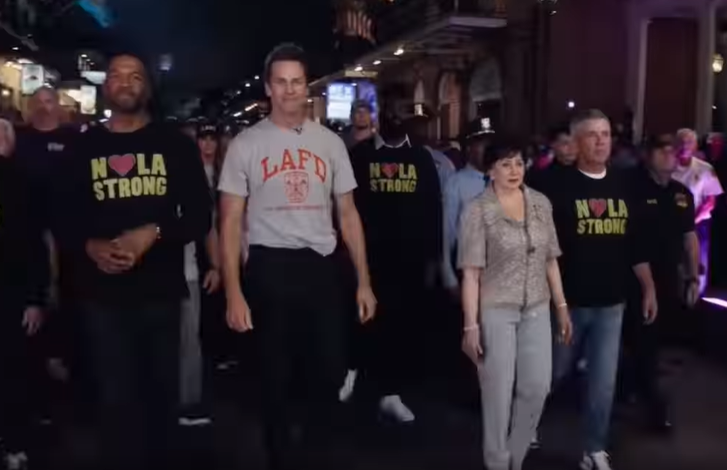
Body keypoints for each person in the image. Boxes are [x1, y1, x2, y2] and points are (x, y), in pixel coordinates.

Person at [218, 44, 376, 470]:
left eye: (297, 82)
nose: (289, 90)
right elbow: (230, 221)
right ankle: (281, 457)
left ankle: (313, 451)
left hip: (321, 268)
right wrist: (233, 291)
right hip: (269, 267)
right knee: (273, 378)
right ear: (269, 87)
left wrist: (363, 280)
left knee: (329, 370)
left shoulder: (330, 143)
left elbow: (348, 214)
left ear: (307, 87)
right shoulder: (246, 145)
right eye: (281, 82)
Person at [58, 54, 212, 470]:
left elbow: (199, 216)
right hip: (100, 297)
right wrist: (89, 245)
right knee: (113, 400)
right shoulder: (82, 147)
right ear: (105, 86)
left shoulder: (175, 145)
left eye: (135, 76)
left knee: (162, 397)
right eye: (116, 76)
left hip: (159, 294)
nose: (125, 83)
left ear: (147, 87)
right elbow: (61, 217)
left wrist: (154, 233)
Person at [543, 109, 657, 470]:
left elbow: (636, 244)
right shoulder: (557, 187)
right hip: (569, 302)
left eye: (605, 134)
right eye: (592, 134)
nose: (601, 141)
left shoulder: (624, 184)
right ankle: (521, 423)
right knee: (551, 374)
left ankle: (593, 448)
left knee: (603, 384)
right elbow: (546, 251)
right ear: (575, 143)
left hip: (612, 303)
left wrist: (648, 287)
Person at [459, 137, 572, 470]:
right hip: (496, 310)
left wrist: (561, 306)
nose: (514, 170)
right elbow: (471, 274)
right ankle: (497, 463)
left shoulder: (540, 203)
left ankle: (515, 456)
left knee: (538, 386)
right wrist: (470, 325)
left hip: (537, 308)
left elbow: (551, 260)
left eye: (519, 163)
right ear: (490, 170)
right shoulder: (478, 210)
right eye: (505, 164)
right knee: (497, 392)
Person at [346, 113, 442, 422]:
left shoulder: (421, 159)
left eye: (403, 112)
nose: (397, 118)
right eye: (392, 111)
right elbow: (345, 207)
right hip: (369, 259)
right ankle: (352, 373)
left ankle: (391, 392)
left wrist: (433, 258)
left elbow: (433, 209)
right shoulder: (361, 155)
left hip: (409, 261)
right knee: (362, 320)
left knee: (401, 326)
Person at [622, 134, 700, 433]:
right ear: (647, 155)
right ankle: (654, 406)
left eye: (673, 152)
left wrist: (692, 277)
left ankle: (631, 386)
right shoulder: (632, 186)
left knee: (651, 341)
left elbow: (690, 238)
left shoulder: (681, 193)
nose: (669, 156)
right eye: (662, 151)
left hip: (667, 277)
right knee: (642, 341)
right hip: (632, 276)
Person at [0, 118, 48, 470]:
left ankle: (14, 442)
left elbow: (36, 246)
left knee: (13, 372)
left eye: (4, 132)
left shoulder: (26, 182)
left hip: (14, 293)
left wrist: (35, 299)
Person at [179, 123, 222, 426]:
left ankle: (188, 403)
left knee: (189, 340)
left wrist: (217, 265)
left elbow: (207, 226)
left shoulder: (198, 182)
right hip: (160, 274)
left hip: (189, 271)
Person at [441, 120, 489, 297]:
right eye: (481, 144)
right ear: (469, 148)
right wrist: (449, 277)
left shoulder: (501, 179)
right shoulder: (456, 183)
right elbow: (447, 234)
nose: (487, 150)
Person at [673, 128, 723, 294]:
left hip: (698, 224)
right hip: (671, 222)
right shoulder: (667, 166)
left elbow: (710, 202)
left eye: (689, 142)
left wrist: (692, 221)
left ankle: (696, 295)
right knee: (673, 263)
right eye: (681, 142)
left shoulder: (705, 169)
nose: (685, 146)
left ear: (695, 146)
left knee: (697, 263)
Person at [527, 126, 576, 192]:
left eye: (575, 142)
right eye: (565, 143)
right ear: (553, 144)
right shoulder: (540, 177)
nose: (572, 148)